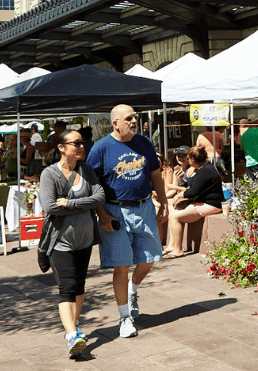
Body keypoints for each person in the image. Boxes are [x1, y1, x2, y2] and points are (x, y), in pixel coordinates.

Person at [87, 104, 169, 339]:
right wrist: (102, 215)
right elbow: (92, 185)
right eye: (128, 118)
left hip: (144, 208)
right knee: (121, 265)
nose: (134, 121)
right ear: (115, 123)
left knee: (150, 258)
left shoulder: (144, 143)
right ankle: (124, 318)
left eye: (135, 117)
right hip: (115, 212)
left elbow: (155, 174)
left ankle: (133, 289)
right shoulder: (101, 148)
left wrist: (163, 203)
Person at [39, 129, 106, 358]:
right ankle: (71, 335)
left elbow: (100, 197)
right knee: (67, 287)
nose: (81, 146)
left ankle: (74, 328)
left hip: (85, 240)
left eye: (83, 142)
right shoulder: (50, 174)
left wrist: (69, 202)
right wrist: (83, 203)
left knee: (79, 285)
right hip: (60, 241)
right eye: (76, 143)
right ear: (61, 147)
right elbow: (49, 206)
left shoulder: (86, 170)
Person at [163, 146, 225, 258]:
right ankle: (172, 246)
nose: (188, 160)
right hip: (201, 203)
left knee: (175, 217)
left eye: (188, 158)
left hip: (211, 205)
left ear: (193, 159)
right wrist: (181, 180)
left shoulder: (206, 171)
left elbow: (192, 192)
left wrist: (180, 195)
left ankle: (178, 250)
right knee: (171, 212)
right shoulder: (201, 169)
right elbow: (192, 186)